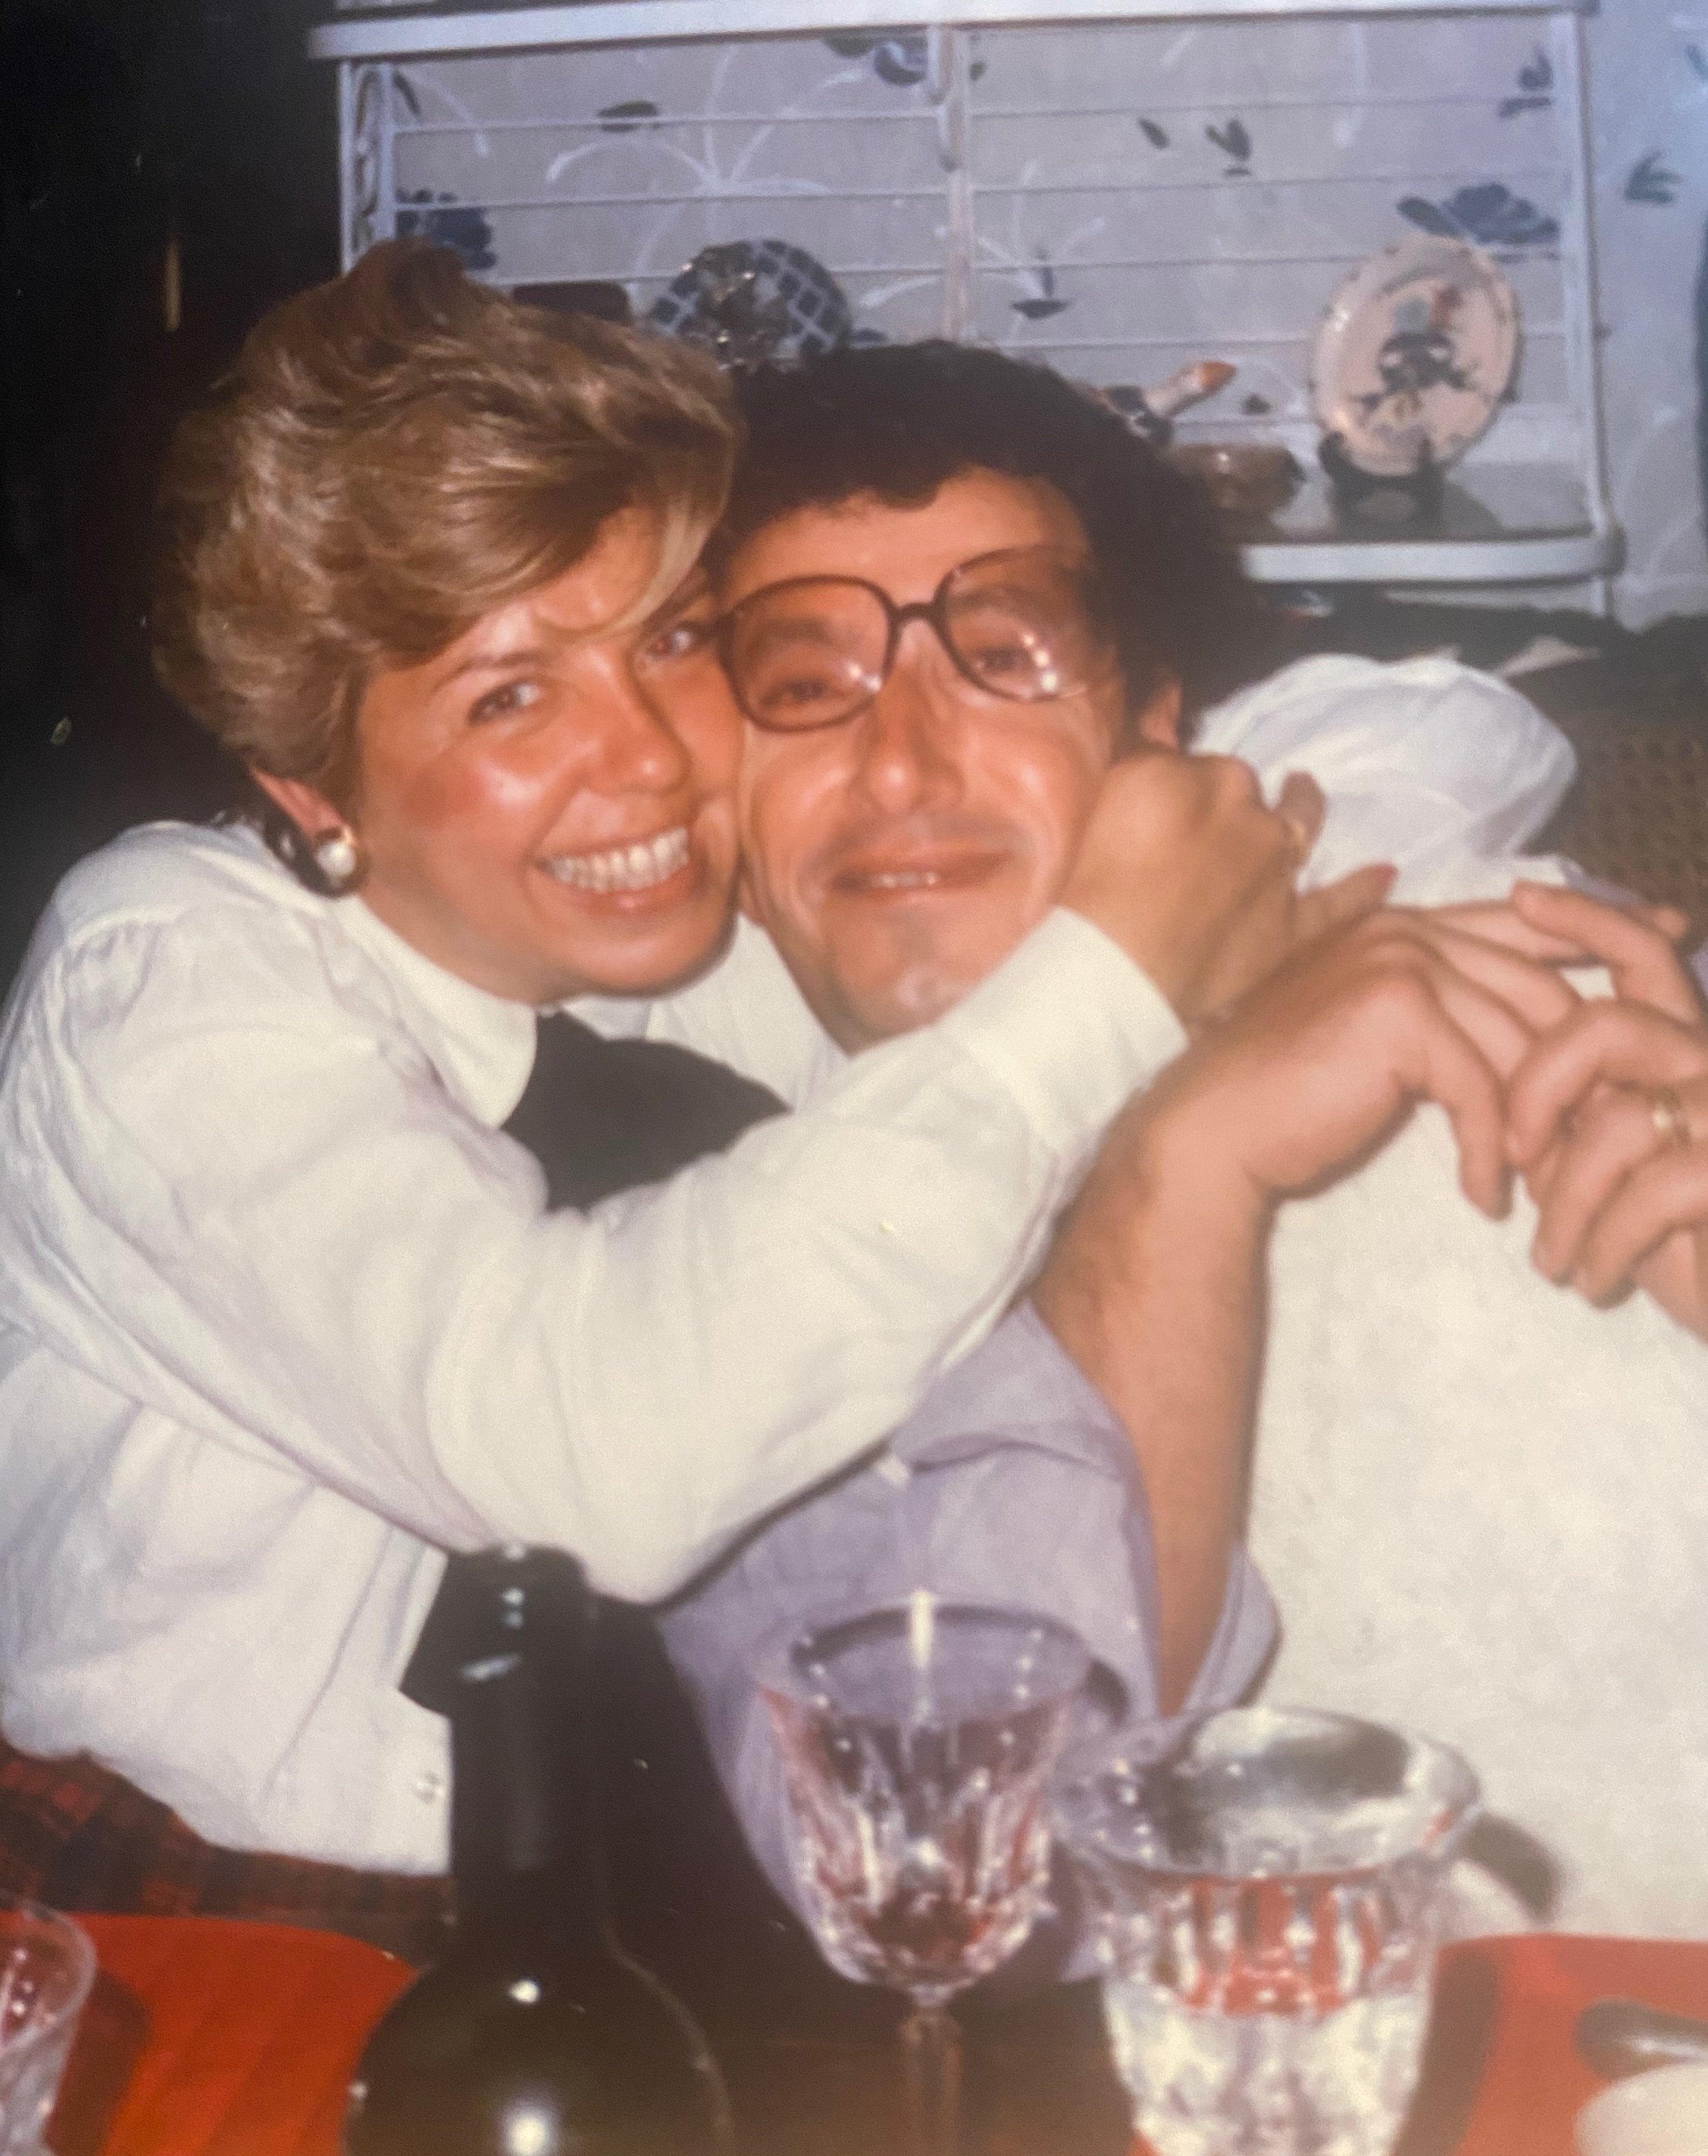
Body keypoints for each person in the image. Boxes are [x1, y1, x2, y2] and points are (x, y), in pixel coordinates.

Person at [0, 250, 1370, 1918]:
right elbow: (591, 1456)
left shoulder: (677, 945)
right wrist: (1110, 981)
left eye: (668, 640)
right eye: (512, 694)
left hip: (581, 1901)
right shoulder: (165, 982)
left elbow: (1370, 730)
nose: (647, 754)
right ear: (311, 785)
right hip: (155, 1916)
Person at [648, 341, 1708, 1944]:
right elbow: (944, 1887)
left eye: (1002, 655)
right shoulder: (703, 1263)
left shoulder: (1502, 963)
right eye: (802, 685)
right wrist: (1180, 1162)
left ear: (1155, 724)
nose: (901, 760)